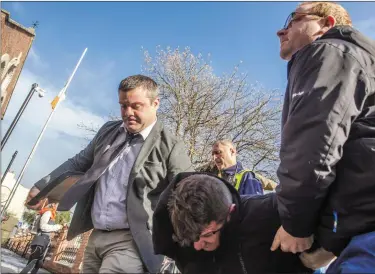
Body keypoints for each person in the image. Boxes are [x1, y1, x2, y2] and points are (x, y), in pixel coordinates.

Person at [271, 0, 375, 271]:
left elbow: (313, 147)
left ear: (327, 24)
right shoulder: (371, 70)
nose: (281, 30)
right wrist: (329, 243)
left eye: (294, 19)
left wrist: (295, 225)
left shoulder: (327, 51)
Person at [25, 74, 193, 273]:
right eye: (123, 105)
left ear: (155, 104)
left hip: (134, 241)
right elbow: (79, 162)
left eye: (136, 106)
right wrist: (42, 187)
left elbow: (187, 191)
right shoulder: (108, 131)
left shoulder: (171, 145)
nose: (128, 112)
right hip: (95, 236)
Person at [152, 172, 312, 274]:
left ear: (230, 213)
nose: (197, 246)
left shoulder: (266, 212)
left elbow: (324, 201)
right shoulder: (179, 235)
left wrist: (298, 226)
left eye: (207, 234)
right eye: (189, 237)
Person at [199, 139, 264, 195]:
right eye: (213, 154)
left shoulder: (247, 177)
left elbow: (253, 207)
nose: (214, 158)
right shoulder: (213, 179)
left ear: (232, 151)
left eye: (218, 152)